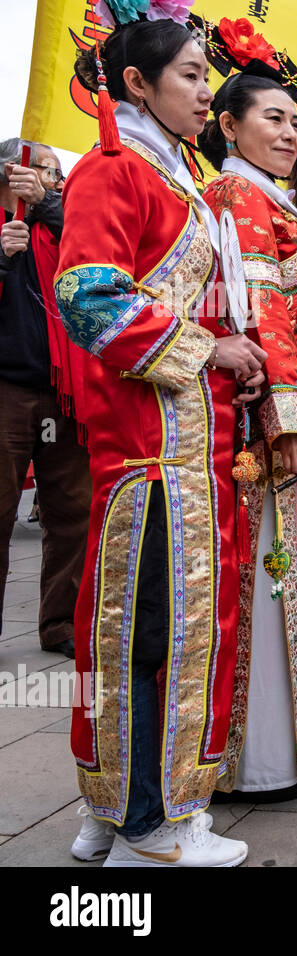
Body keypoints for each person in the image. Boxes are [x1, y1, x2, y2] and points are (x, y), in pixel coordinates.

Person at [58, 8, 264, 866]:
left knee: (136, 634)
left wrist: (238, 350)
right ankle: (154, 827)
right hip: (151, 456)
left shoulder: (177, 174)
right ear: (136, 83)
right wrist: (208, 347)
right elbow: (88, 295)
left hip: (188, 456)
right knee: (154, 638)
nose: (203, 88)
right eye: (187, 73)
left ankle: (116, 813)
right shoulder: (116, 170)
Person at [199, 30, 297, 802]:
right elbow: (261, 307)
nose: (289, 135)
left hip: (282, 407)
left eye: (295, 124)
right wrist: (292, 413)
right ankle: (258, 761)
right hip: (266, 425)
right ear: (230, 126)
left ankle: (270, 754)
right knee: (265, 571)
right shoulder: (239, 195)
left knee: (276, 573)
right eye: (273, 119)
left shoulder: (267, 197)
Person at [0, 138, 89, 659]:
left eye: (55, 175)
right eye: (36, 171)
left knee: (72, 513)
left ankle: (61, 624)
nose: (48, 180)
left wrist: (48, 207)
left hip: (63, 393)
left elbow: (91, 250)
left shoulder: (59, 223)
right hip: (7, 390)